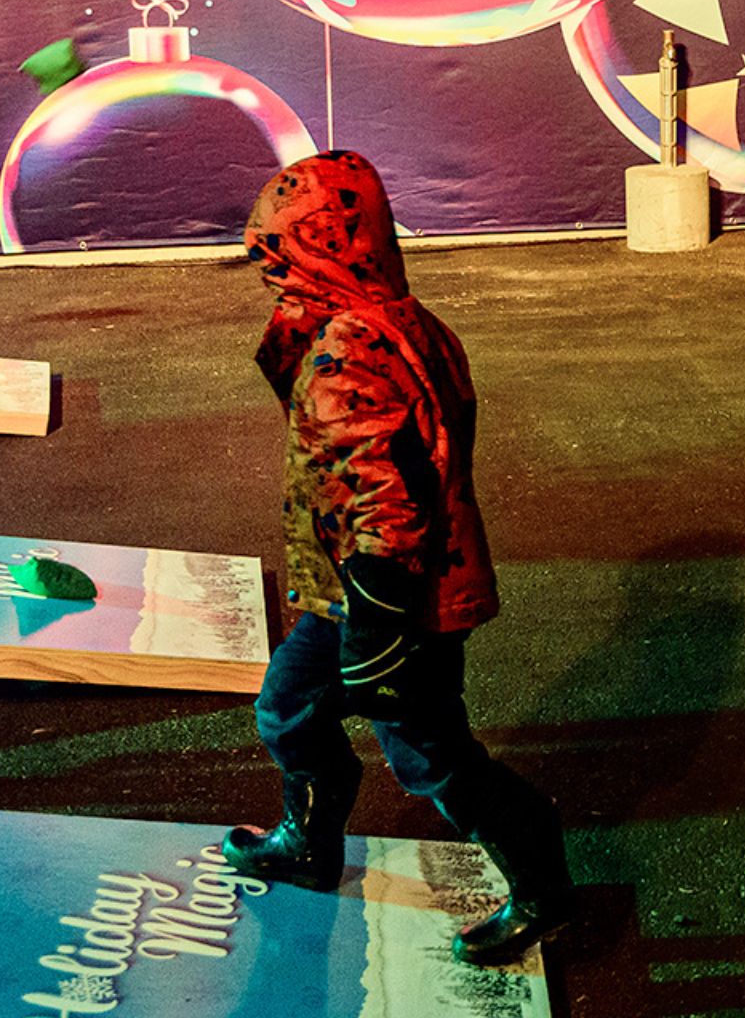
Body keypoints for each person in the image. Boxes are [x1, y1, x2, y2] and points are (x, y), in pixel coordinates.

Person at [219, 151, 575, 967]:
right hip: (347, 591)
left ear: (320, 249)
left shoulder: (352, 351)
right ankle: (308, 840)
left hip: (395, 600)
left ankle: (544, 889)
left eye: (279, 254)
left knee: (430, 755)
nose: (268, 272)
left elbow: (390, 500)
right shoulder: (398, 319)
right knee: (289, 707)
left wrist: (379, 632)